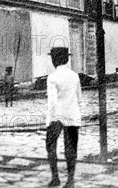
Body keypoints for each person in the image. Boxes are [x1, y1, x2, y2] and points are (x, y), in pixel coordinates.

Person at [46, 47, 82, 188]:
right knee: (71, 148)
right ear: (66, 59)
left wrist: (50, 120)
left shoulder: (52, 77)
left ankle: (55, 178)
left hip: (57, 117)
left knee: (50, 145)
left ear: (54, 59)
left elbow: (52, 102)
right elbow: (79, 98)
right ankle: (70, 180)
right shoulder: (75, 76)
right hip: (72, 115)